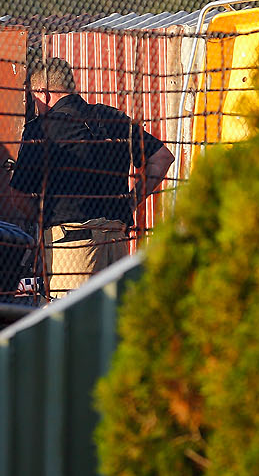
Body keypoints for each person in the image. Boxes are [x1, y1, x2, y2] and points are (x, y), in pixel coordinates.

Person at [10, 57, 175, 297]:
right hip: (116, 243)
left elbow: (18, 195)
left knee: (69, 325)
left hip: (72, 246)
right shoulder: (113, 119)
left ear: (43, 93)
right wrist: (131, 200)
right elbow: (162, 158)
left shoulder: (42, 129)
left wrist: (47, 218)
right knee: (113, 322)